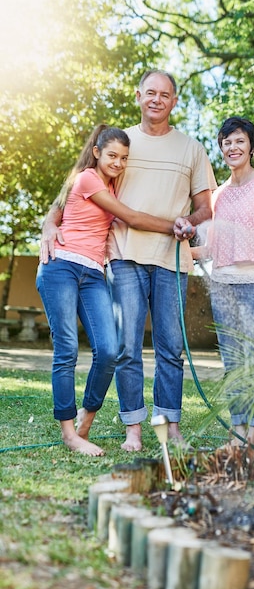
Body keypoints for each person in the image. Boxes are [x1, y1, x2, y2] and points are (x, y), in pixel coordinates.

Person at [41, 70, 217, 452]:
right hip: (124, 257)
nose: (157, 99)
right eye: (150, 92)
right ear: (138, 96)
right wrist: (47, 226)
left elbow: (205, 207)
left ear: (174, 101)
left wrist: (191, 220)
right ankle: (133, 429)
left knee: (171, 348)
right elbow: (70, 196)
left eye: (165, 94)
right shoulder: (119, 144)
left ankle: (171, 426)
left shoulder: (191, 149)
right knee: (126, 348)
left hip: (172, 260)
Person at [37, 124, 175, 456]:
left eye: (124, 158)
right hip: (62, 268)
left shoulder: (110, 187)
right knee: (67, 349)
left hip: (94, 273)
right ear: (97, 153)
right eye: (112, 155)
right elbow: (131, 218)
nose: (118, 162)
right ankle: (70, 433)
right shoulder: (87, 178)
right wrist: (177, 225)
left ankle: (87, 415)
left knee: (110, 350)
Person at [192, 116, 254, 449]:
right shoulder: (217, 195)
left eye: (239, 141)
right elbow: (213, 248)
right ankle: (237, 433)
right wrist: (180, 248)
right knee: (233, 364)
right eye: (226, 142)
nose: (232, 147)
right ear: (221, 148)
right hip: (223, 285)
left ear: (250, 145)